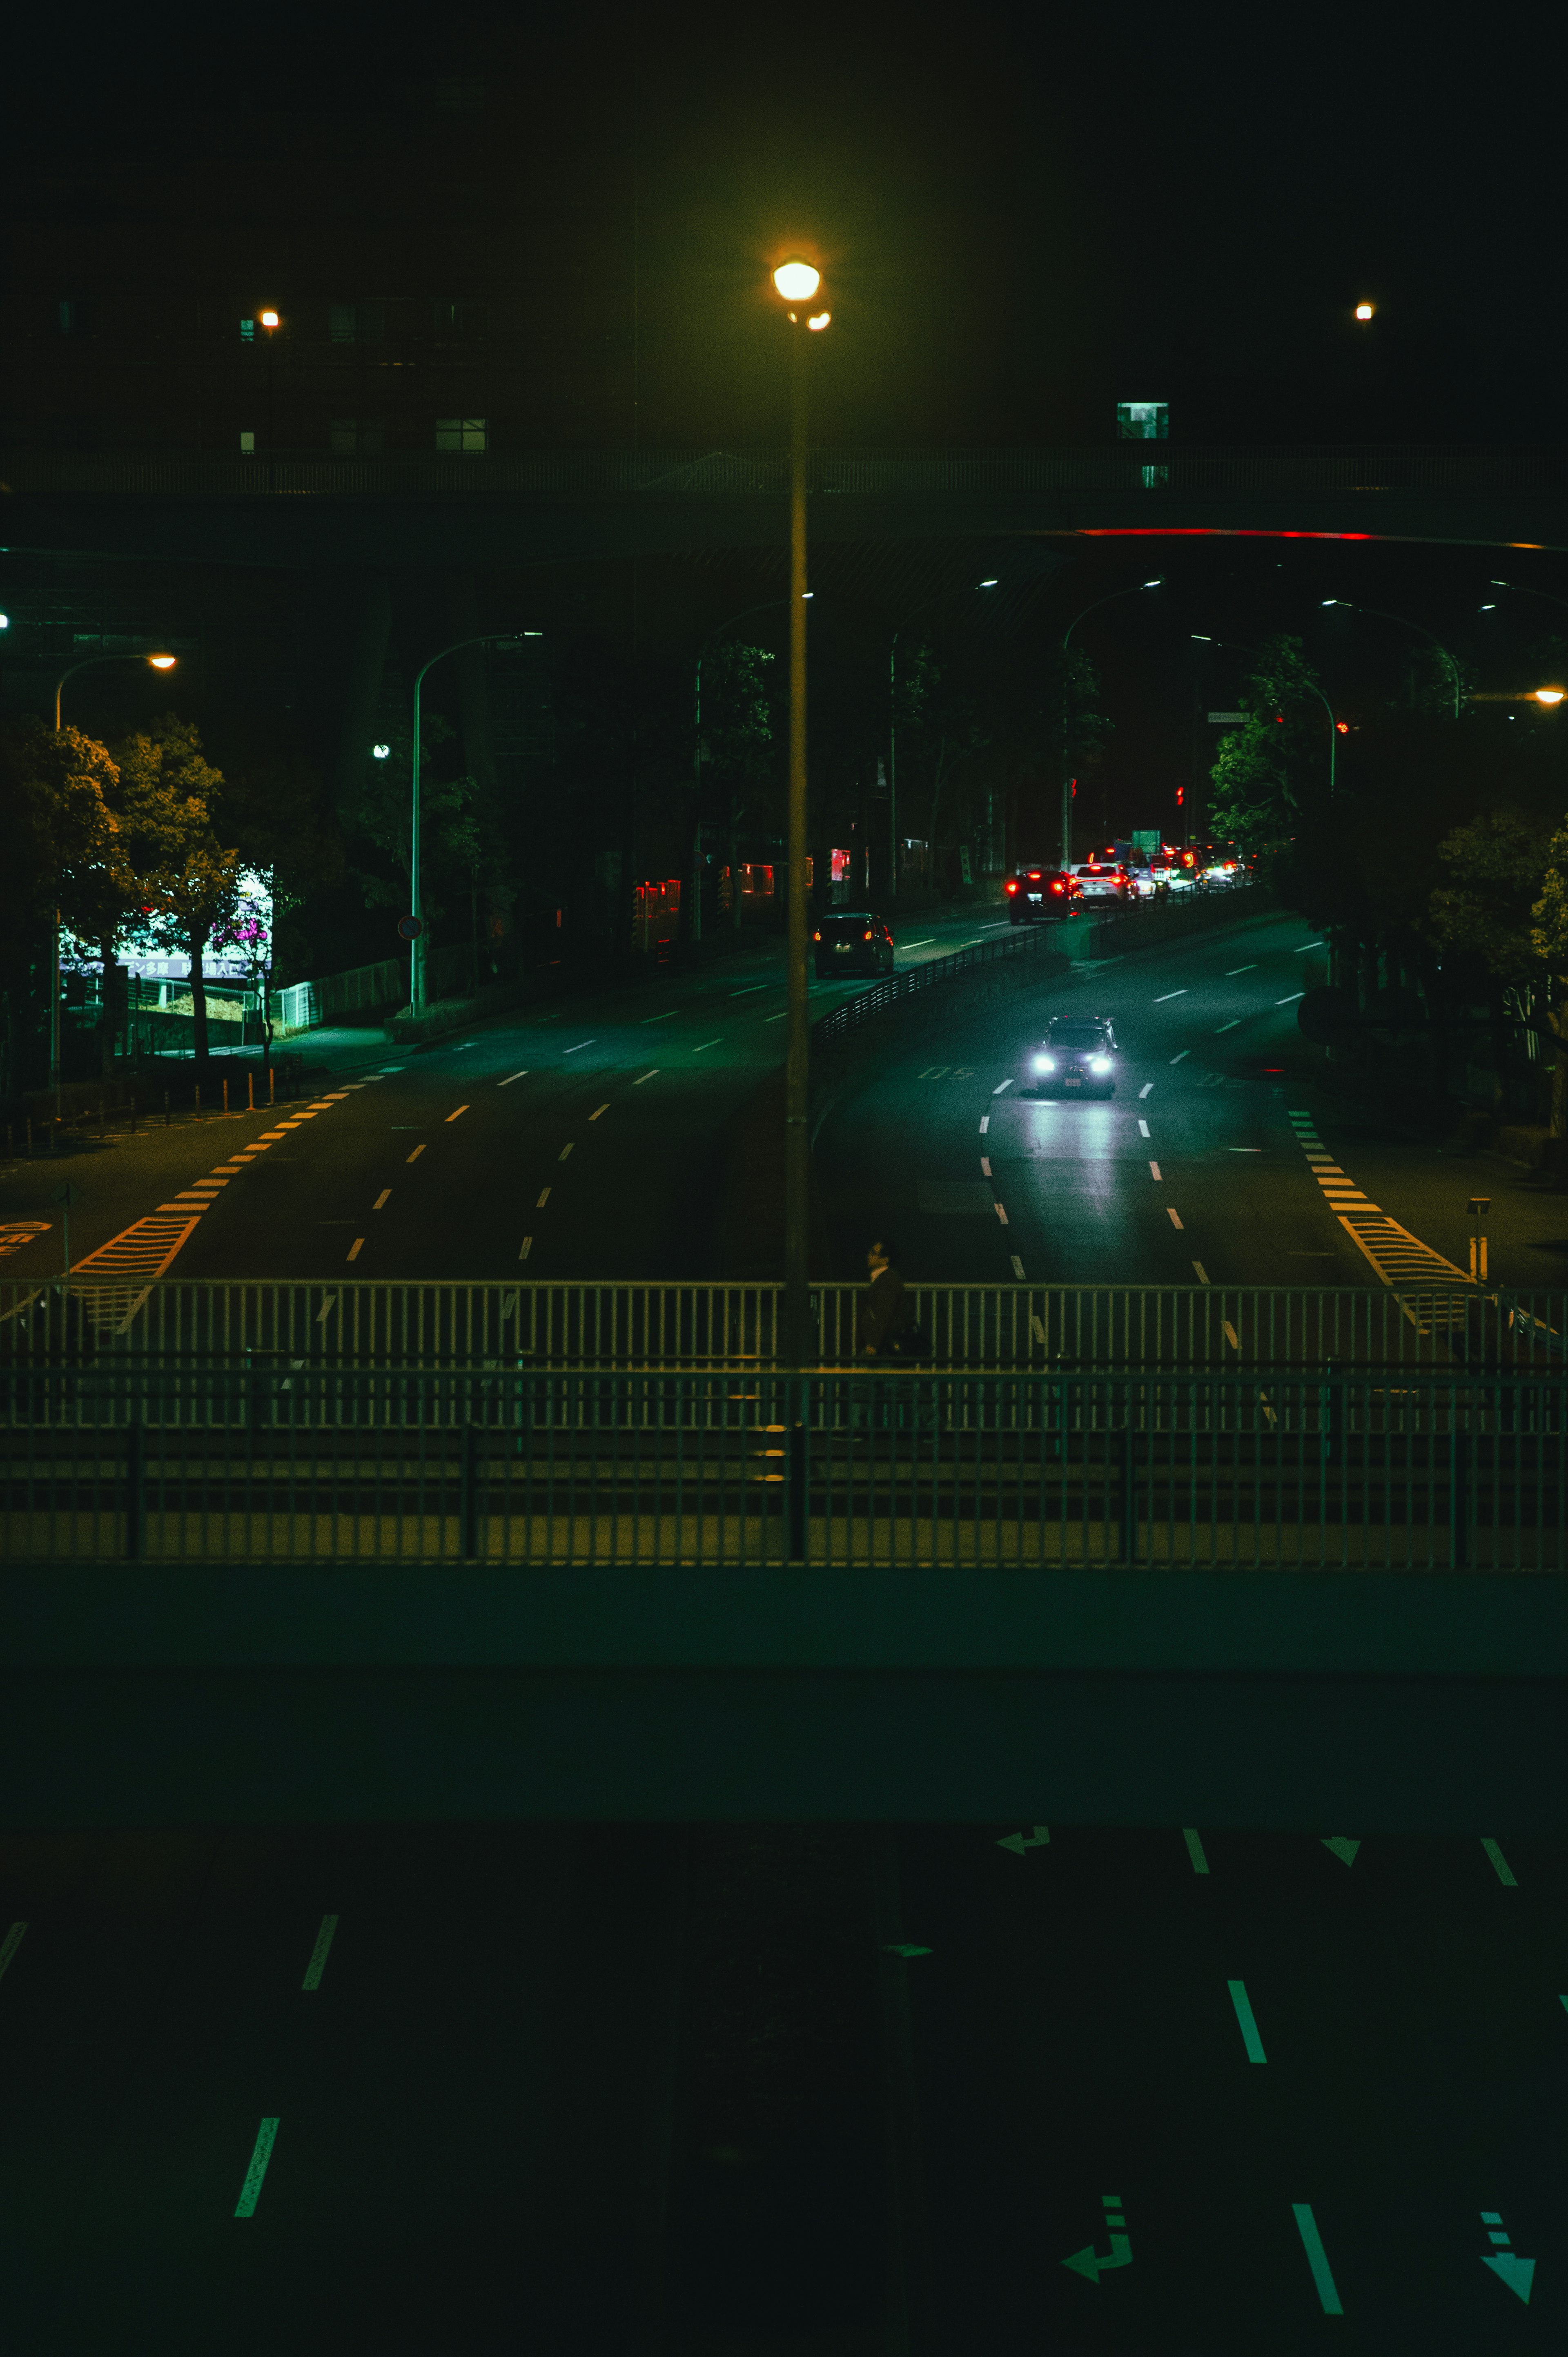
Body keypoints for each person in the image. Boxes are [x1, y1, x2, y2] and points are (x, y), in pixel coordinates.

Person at [858, 1236, 907, 1358]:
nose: (869, 1255)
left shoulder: (887, 1281)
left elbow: (884, 1315)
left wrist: (873, 1345)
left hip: (883, 1347)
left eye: (874, 1253)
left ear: (885, 1260)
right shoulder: (887, 1278)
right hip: (883, 1344)